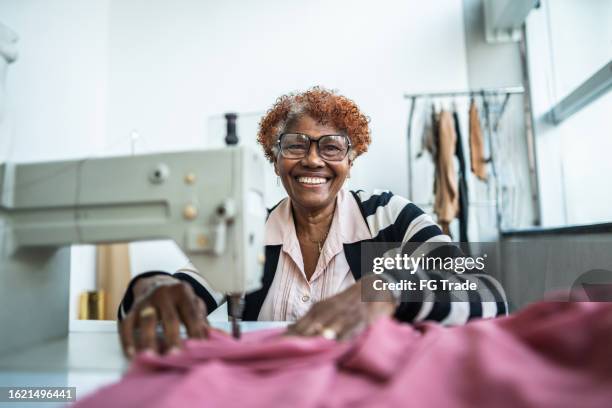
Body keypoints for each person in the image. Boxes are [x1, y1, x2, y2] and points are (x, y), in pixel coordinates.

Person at [117, 87, 507, 357]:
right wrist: (152, 286)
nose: (313, 160)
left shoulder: (390, 218)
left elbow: (489, 296)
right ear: (275, 161)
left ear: (350, 162)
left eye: (331, 146)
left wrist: (390, 291)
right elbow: (181, 293)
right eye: (295, 146)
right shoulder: (249, 234)